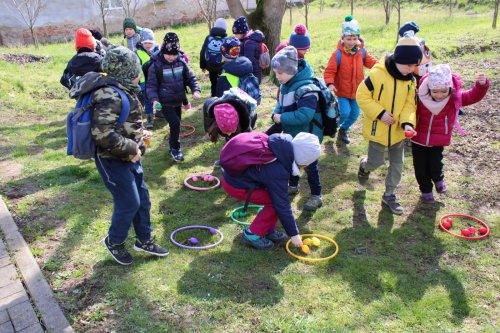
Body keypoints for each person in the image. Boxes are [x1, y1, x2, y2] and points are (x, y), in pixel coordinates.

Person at [68, 46, 168, 265]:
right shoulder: (109, 95)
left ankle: (144, 240)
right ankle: (114, 242)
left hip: (131, 156)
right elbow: (102, 134)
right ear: (123, 72)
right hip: (111, 160)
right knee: (129, 202)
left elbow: (123, 121)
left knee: (143, 199)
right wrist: (132, 148)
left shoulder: (123, 88)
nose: (139, 75)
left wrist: (139, 135)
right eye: (136, 71)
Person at [356, 32, 423, 215]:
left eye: (414, 65)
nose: (412, 69)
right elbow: (361, 95)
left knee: (397, 165)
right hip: (378, 129)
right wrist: (380, 113)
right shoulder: (377, 74)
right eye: (409, 64)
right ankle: (364, 166)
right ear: (398, 59)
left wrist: (408, 123)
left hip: (398, 133)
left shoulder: (410, 81)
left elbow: (410, 105)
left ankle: (389, 194)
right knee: (375, 162)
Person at [221, 132, 321, 250]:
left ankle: (267, 230)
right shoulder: (278, 170)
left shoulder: (281, 147)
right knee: (275, 203)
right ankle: (252, 235)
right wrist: (294, 234)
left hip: (235, 178)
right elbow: (282, 204)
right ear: (303, 160)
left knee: (275, 200)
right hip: (237, 185)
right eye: (307, 164)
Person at [411, 64, 490, 203]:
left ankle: (438, 179)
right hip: (418, 138)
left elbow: (472, 96)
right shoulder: (420, 97)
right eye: (435, 92)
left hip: (438, 139)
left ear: (449, 88)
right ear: (429, 89)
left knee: (436, 164)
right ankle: (426, 190)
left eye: (443, 91)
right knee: (420, 168)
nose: (439, 95)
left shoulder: (454, 98)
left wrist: (481, 86)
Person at [269, 46, 324, 211]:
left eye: (280, 73)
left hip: (306, 137)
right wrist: (275, 113)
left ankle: (316, 195)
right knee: (290, 159)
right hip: (291, 133)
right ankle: (293, 186)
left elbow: (305, 115)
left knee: (310, 166)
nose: (277, 76)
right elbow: (281, 104)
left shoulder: (306, 89)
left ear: (291, 70)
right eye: (275, 72)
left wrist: (282, 118)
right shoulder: (287, 84)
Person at [146, 32, 201, 162]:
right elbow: (151, 86)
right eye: (168, 54)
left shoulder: (181, 62)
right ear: (163, 51)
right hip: (165, 102)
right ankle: (175, 149)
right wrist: (154, 100)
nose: (171, 57)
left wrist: (195, 90)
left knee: (176, 124)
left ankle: (173, 144)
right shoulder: (156, 66)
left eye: (174, 54)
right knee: (175, 123)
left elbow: (191, 78)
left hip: (178, 100)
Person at [324, 16, 377, 144]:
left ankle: (343, 130)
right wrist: (330, 83)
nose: (352, 42)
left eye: (355, 38)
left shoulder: (361, 51)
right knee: (345, 112)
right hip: (342, 90)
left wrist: (383, 66)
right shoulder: (338, 54)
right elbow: (330, 70)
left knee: (355, 113)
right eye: (348, 39)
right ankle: (332, 127)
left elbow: (371, 62)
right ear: (343, 38)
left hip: (358, 90)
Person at [216, 36, 261, 104]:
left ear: (223, 52)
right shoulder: (246, 66)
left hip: (233, 111)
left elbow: (221, 98)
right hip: (248, 109)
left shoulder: (225, 75)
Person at [270, 23, 312, 88]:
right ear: (298, 49)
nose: (306, 51)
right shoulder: (294, 59)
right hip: (289, 87)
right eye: (305, 49)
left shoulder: (282, 51)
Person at [135, 28, 159, 129]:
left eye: (150, 42)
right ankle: (149, 117)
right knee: (147, 99)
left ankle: (161, 112)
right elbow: (136, 68)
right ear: (141, 43)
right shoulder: (138, 53)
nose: (148, 45)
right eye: (145, 43)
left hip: (157, 80)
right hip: (144, 81)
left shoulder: (158, 51)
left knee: (160, 97)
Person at [232, 15, 266, 82]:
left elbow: (248, 61)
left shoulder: (249, 44)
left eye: (236, 33)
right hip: (252, 72)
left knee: (251, 91)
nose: (235, 35)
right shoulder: (244, 41)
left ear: (242, 32)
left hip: (253, 73)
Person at [200, 18, 228, 97]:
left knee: (213, 83)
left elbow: (202, 51)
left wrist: (203, 66)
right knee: (221, 82)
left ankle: (213, 97)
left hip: (210, 65)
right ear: (225, 29)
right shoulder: (225, 40)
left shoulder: (208, 38)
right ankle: (221, 97)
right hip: (222, 66)